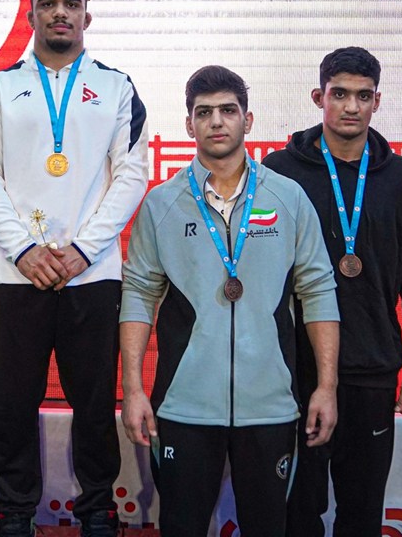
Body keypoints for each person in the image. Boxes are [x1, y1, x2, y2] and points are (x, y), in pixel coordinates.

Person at [120, 65, 340, 537]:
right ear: (188, 125)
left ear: (248, 119)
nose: (216, 121)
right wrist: (133, 389)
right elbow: (138, 296)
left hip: (271, 407)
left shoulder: (288, 197)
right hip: (183, 407)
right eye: (204, 113)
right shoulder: (160, 204)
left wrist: (326, 386)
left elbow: (319, 292)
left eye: (228, 110)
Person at [0, 0, 149, 537]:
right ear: (31, 16)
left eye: (71, 2)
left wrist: (84, 251)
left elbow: (131, 175)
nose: (60, 12)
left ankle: (98, 509)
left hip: (91, 276)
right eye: (48, 3)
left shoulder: (117, 87)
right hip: (14, 275)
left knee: (94, 404)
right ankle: (13, 512)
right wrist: (23, 250)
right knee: (13, 404)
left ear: (87, 15)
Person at [262, 46, 402, 537]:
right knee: (297, 515)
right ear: (318, 97)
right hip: (295, 372)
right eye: (339, 94)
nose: (351, 107)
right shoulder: (279, 172)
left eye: (363, 96)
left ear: (377, 102)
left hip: (372, 368)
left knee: (361, 515)